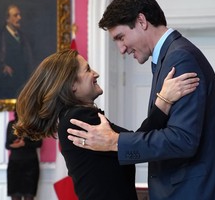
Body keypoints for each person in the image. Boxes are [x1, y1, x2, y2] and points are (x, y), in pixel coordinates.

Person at [67, 0, 215, 200]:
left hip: (199, 191)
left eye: (121, 37)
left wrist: (115, 142)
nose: (122, 49)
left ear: (141, 21)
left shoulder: (179, 58)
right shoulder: (168, 58)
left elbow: (183, 139)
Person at [13, 49, 199, 200]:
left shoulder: (74, 117)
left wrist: (163, 101)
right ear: (72, 86)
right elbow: (136, 143)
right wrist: (164, 100)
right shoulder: (79, 118)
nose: (96, 73)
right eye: (87, 70)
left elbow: (129, 142)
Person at [0, 4, 33, 99]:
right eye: (15, 15)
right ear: (7, 19)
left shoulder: (23, 36)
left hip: (22, 84)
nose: (19, 18)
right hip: (4, 84)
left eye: (19, 15)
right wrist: (2, 67)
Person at [5, 111, 42, 200]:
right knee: (15, 196)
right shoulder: (12, 124)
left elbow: (39, 144)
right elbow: (7, 145)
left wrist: (24, 144)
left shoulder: (34, 124)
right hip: (15, 165)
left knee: (29, 196)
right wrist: (17, 143)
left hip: (31, 165)